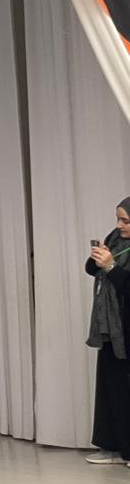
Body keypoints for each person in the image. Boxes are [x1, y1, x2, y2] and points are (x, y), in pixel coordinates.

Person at [85, 197, 130, 466]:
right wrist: (98, 259)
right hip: (111, 327)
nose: (119, 225)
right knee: (111, 387)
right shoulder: (115, 238)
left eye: (125, 221)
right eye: (118, 219)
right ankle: (112, 447)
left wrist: (111, 266)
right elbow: (92, 270)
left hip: (127, 325)